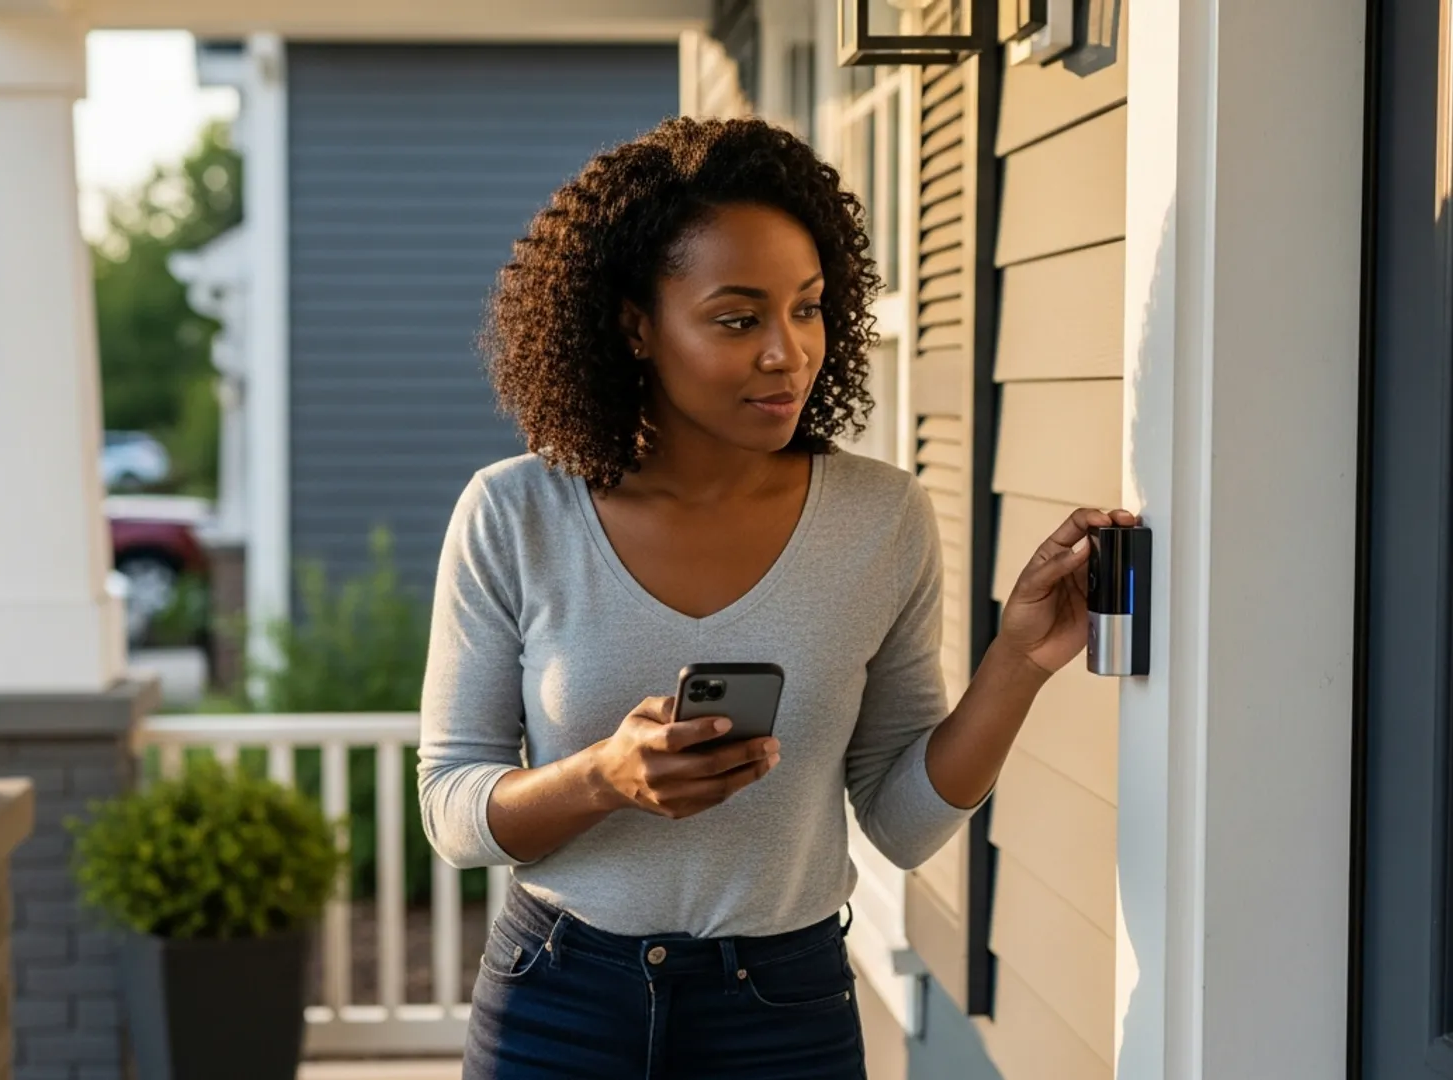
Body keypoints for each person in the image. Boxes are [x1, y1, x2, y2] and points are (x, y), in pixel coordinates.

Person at [416, 116, 1136, 1079]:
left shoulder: (881, 518)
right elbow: (451, 809)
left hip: (783, 1013)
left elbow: (901, 821)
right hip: (559, 999)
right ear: (636, 325)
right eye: (737, 318)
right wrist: (602, 779)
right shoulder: (514, 513)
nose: (786, 352)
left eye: (808, 308)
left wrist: (1019, 664)